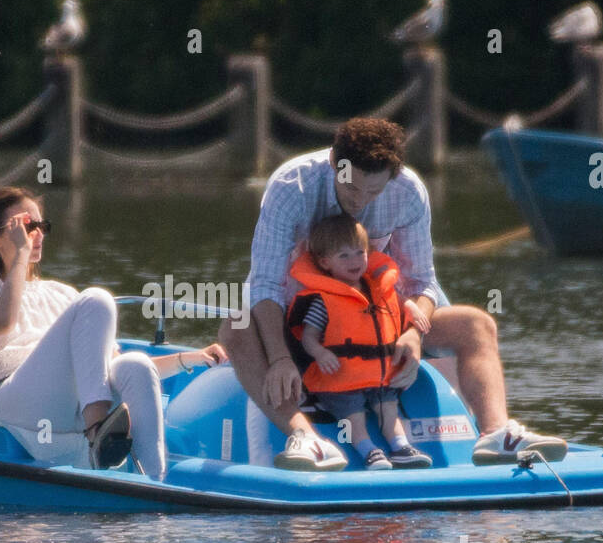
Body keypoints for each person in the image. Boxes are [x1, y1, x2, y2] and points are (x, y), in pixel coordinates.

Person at [219, 116, 567, 472]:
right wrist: (279, 359)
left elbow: (422, 283)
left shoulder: (408, 190)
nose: (360, 201)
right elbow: (264, 283)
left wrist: (415, 334)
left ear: (391, 178)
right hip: (300, 317)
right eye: (352, 189)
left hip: (378, 321)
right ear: (334, 165)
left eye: (374, 192)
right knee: (235, 326)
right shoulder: (291, 186)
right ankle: (305, 437)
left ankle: (496, 433)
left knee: (476, 324)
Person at [0, 186, 227, 479]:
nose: (38, 235)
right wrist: (20, 254)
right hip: (16, 401)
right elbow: (3, 322)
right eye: (25, 227)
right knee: (97, 298)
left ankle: (152, 485)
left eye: (41, 225)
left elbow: (105, 368)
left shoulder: (62, 294)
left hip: (69, 408)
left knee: (135, 365)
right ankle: (97, 428)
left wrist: (190, 358)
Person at [288, 214, 433, 470]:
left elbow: (399, 302)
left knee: (388, 408)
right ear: (324, 263)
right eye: (344, 256)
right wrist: (321, 354)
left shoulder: (379, 288)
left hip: (379, 375)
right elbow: (309, 337)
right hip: (340, 380)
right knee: (353, 414)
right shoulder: (323, 300)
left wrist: (411, 306)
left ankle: (400, 447)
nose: (355, 261)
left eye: (359, 252)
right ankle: (369, 451)